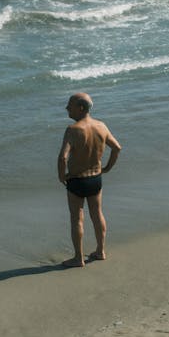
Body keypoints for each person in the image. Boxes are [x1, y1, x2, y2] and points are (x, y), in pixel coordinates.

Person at [58, 92, 121, 268]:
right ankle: (100, 251)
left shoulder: (73, 129)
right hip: (95, 179)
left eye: (69, 104)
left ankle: (78, 258)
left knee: (77, 219)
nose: (66, 108)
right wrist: (107, 168)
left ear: (80, 107)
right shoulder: (101, 126)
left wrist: (61, 176)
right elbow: (117, 147)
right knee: (97, 214)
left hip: (77, 181)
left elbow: (63, 157)